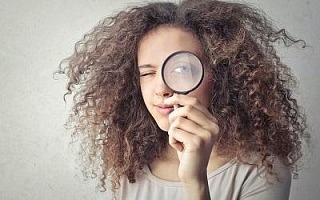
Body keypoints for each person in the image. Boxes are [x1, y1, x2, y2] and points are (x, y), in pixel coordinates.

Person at [58, 0, 310, 199]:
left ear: (220, 76)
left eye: (181, 69)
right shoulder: (130, 167)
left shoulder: (262, 172)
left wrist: (195, 180)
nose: (162, 89)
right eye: (147, 73)